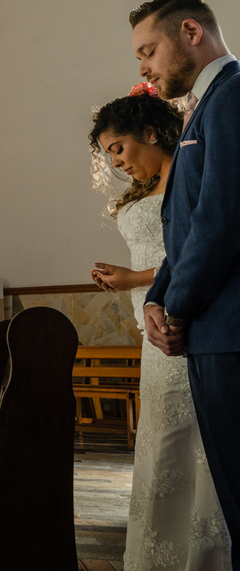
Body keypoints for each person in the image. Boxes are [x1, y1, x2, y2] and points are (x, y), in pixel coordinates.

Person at [89, 83, 231, 568]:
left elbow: (198, 251)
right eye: (109, 154)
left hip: (189, 319)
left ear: (150, 132)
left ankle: (206, 551)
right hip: (150, 321)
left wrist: (133, 278)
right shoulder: (142, 190)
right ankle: (159, 550)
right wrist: (128, 282)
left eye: (119, 148)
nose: (117, 162)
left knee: (195, 439)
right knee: (160, 440)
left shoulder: (190, 175)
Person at [131, 0, 240, 566]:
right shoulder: (204, 107)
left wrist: (175, 307)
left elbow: (221, 220)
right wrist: (156, 297)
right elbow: (187, 226)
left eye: (149, 51)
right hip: (212, 331)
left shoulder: (233, 96)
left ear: (191, 32)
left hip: (230, 331)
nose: (144, 68)